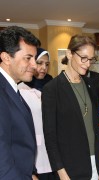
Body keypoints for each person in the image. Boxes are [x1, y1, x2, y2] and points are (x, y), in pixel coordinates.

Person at [42, 35, 99, 180]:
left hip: (96, 164)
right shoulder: (52, 89)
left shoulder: (91, 85)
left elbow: (94, 126)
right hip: (70, 168)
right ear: (69, 54)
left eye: (91, 59)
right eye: (83, 58)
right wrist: (61, 172)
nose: (87, 63)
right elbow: (50, 136)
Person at [0, 26, 39, 179]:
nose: (35, 65)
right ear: (6, 57)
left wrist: (32, 174)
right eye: (28, 58)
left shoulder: (11, 88)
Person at [18, 47, 56, 180]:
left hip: (53, 148)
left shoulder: (53, 86)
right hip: (33, 150)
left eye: (47, 64)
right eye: (40, 63)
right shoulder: (21, 88)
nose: (43, 68)